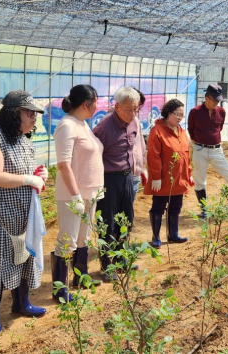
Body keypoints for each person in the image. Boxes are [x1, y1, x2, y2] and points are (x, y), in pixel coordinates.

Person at [0, 90, 48, 337]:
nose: (34, 118)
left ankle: (21, 303)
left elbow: (28, 174)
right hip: (1, 216)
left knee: (26, 257)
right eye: (29, 113)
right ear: (12, 113)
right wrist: (28, 178)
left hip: (24, 213)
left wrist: (38, 176)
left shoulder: (24, 140)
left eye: (35, 114)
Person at [52, 84, 104, 300]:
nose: (97, 106)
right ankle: (59, 290)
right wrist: (75, 197)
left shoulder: (82, 124)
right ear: (86, 103)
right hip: (72, 194)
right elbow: (63, 164)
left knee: (83, 237)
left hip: (90, 192)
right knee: (67, 240)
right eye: (96, 102)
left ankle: (80, 277)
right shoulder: (67, 126)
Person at [93, 86, 140, 282]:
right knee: (107, 223)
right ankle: (107, 265)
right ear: (117, 106)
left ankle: (121, 259)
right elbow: (93, 156)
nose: (133, 113)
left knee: (126, 219)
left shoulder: (133, 123)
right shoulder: (103, 128)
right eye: (129, 109)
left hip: (127, 177)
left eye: (136, 109)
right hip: (108, 179)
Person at [188, 84, 228, 217]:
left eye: (218, 100)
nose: (217, 102)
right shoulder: (195, 112)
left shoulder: (221, 112)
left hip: (216, 151)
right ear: (206, 97)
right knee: (200, 180)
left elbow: (219, 128)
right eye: (214, 100)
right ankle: (204, 210)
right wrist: (198, 141)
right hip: (200, 150)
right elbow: (190, 129)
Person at [145, 98, 192, 248]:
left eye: (182, 115)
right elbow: (154, 156)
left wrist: (188, 173)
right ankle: (156, 236)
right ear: (168, 113)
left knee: (176, 206)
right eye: (177, 114)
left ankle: (173, 234)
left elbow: (187, 154)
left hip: (179, 178)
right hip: (164, 177)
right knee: (158, 206)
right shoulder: (157, 131)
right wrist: (156, 177)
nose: (179, 117)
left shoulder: (181, 132)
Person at [131, 88, 148, 197]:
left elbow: (141, 145)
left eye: (138, 107)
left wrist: (143, 168)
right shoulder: (110, 121)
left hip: (135, 172)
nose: (136, 111)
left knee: (128, 208)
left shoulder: (135, 120)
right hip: (121, 175)